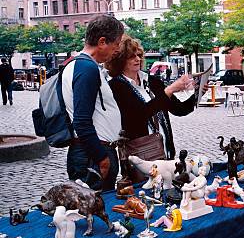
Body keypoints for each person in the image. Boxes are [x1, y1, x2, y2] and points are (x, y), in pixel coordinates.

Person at [107, 36, 195, 159]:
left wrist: (195, 93)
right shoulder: (115, 86)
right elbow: (138, 116)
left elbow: (179, 109)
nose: (137, 59)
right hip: (140, 155)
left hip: (165, 150)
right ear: (120, 60)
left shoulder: (152, 81)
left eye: (139, 55)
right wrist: (169, 90)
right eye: (132, 56)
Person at [62, 15, 124, 190]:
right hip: (92, 154)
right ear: (102, 41)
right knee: (93, 208)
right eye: (117, 43)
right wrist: (102, 159)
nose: (117, 49)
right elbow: (81, 121)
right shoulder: (86, 68)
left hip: (93, 152)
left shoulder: (83, 65)